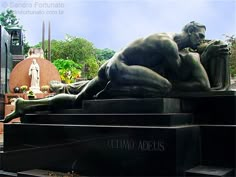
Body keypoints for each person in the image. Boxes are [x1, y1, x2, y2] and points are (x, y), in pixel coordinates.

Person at [2, 21, 229, 123]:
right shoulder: (169, 44)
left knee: (78, 99)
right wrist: (206, 54)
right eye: (198, 36)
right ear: (188, 32)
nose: (200, 41)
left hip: (112, 65)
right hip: (120, 69)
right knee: (164, 86)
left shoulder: (168, 41)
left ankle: (27, 105)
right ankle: (112, 91)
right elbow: (178, 74)